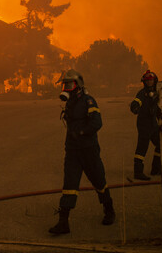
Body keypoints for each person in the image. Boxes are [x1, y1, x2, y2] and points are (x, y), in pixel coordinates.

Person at [49, 69, 115, 235]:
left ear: (78, 85)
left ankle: (109, 210)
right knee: (69, 185)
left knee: (99, 180)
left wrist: (81, 132)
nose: (66, 87)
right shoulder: (70, 102)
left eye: (69, 84)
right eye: (65, 84)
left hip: (88, 150)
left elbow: (97, 123)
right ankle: (63, 223)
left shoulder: (88, 101)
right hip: (72, 150)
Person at [129, 70, 162, 180]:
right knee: (142, 149)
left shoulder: (155, 94)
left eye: (151, 80)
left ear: (154, 81)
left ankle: (156, 169)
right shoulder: (142, 93)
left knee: (160, 144)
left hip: (153, 124)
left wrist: (160, 118)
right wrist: (135, 107)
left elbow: (155, 108)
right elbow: (136, 102)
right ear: (144, 82)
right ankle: (138, 172)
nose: (149, 82)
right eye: (147, 81)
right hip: (144, 124)